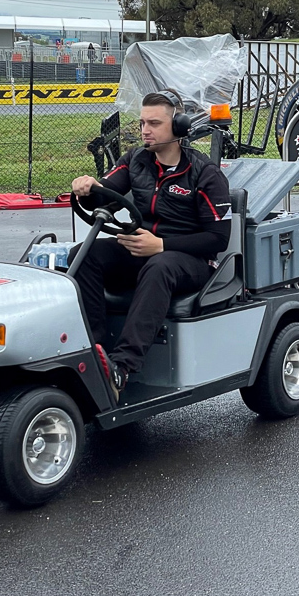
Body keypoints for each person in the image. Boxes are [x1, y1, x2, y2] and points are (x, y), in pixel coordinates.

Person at [70, 89, 232, 398]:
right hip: (144, 250)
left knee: (159, 266)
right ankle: (95, 350)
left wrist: (162, 245)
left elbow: (218, 239)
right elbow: (106, 194)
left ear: (179, 127)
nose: (145, 130)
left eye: (154, 123)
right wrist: (88, 188)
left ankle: (121, 367)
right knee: (83, 254)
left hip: (189, 261)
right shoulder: (136, 160)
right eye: (143, 122)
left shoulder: (204, 173)